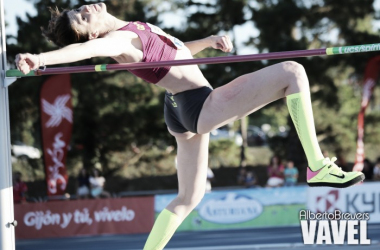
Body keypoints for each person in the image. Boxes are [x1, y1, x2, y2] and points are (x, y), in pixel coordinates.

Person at [14, 3, 364, 249]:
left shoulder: (129, 30)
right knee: (293, 72)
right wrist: (41, 59)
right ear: (90, 34)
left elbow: (174, 52)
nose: (85, 8)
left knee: (188, 198)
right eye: (81, 17)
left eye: (79, 7)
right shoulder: (117, 41)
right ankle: (317, 166)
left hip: (178, 106)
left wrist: (207, 43)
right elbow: (83, 54)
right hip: (199, 103)